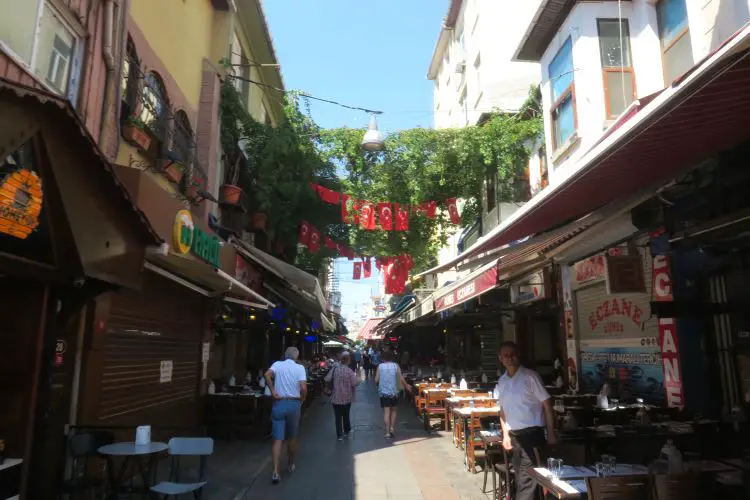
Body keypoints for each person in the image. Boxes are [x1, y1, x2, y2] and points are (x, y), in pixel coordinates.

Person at [495, 341, 557, 500]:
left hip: (532, 436)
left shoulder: (530, 376)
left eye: (512, 354)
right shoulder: (502, 381)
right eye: (505, 355)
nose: (509, 358)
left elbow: (547, 405)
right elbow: (502, 411)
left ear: (518, 356)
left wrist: (550, 434)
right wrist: (506, 435)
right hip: (515, 437)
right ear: (500, 358)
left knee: (526, 479)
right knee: (523, 478)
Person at [264, 346, 307, 484]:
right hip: (294, 404)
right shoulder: (300, 368)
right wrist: (302, 399)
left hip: (279, 403)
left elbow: (266, 374)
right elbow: (303, 388)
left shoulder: (277, 364)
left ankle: (275, 472)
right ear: (296, 356)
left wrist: (273, 390)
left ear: (285, 355)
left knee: (277, 440)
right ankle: (290, 463)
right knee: (292, 437)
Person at [374, 350, 411, 439]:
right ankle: (392, 429)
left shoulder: (380, 366)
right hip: (394, 392)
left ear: (383, 358)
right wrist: (407, 386)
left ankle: (387, 433)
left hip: (383, 393)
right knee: (394, 410)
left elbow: (376, 380)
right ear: (391, 357)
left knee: (386, 412)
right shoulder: (395, 366)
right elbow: (401, 378)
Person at [325, 352, 359, 440]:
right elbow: (355, 383)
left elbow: (327, 378)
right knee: (346, 414)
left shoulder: (335, 369)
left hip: (336, 396)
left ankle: (339, 435)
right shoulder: (350, 371)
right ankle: (347, 430)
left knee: (337, 416)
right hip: (347, 397)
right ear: (348, 361)